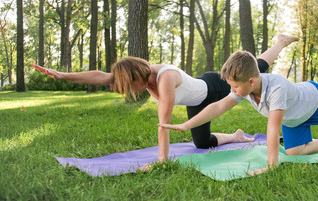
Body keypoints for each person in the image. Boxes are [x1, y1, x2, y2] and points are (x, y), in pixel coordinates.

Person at [32, 34, 299, 171]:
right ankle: (236, 135)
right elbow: (103, 76)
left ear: (139, 78)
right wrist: (63, 75)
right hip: (196, 99)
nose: (131, 92)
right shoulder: (136, 72)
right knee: (202, 143)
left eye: (131, 87)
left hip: (211, 89)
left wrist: (162, 160)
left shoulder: (165, 79)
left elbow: (165, 124)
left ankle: (280, 43)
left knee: (256, 68)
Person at [159, 50, 318, 176]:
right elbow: (218, 107)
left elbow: (273, 129)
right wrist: (187, 125)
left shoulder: (277, 89)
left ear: (251, 81)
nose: (232, 91)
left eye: (234, 87)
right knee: (293, 151)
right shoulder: (244, 89)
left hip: (314, 101)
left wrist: (271, 167)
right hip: (294, 118)